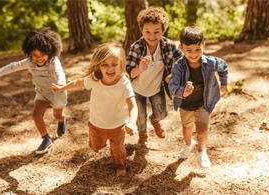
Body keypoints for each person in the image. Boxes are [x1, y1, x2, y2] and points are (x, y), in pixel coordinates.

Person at [51, 42, 138, 176]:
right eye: (105, 65)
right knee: (95, 146)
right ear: (98, 66)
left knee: (118, 149)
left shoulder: (124, 83)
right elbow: (79, 83)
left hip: (117, 126)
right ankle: (98, 145)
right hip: (96, 124)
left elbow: (133, 106)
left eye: (114, 64)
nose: (110, 69)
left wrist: (131, 122)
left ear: (121, 64)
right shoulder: (94, 79)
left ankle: (120, 166)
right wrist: (62, 88)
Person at [0, 28, 67, 154]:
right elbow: (13, 66)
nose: (38, 58)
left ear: (49, 52)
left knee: (57, 115)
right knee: (36, 115)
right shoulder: (29, 63)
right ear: (30, 53)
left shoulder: (53, 61)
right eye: (34, 55)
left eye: (42, 54)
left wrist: (61, 83)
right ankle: (46, 138)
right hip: (42, 92)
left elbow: (59, 72)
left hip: (57, 91)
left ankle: (62, 120)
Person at [169, 24, 228, 168]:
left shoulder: (210, 63)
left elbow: (223, 67)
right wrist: (183, 91)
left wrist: (224, 83)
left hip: (203, 102)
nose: (194, 54)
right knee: (187, 128)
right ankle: (189, 144)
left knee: (202, 129)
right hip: (186, 104)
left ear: (203, 45)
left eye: (198, 49)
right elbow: (172, 86)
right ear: (181, 47)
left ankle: (202, 152)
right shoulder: (178, 66)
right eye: (188, 50)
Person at [126, 6, 183, 146]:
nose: (152, 36)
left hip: (156, 88)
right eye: (147, 32)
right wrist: (140, 68)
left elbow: (183, 60)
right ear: (141, 30)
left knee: (162, 113)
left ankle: (155, 120)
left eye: (156, 32)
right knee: (140, 117)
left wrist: (174, 75)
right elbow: (128, 72)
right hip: (136, 88)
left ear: (163, 30)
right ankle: (143, 135)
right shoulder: (137, 47)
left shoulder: (168, 46)